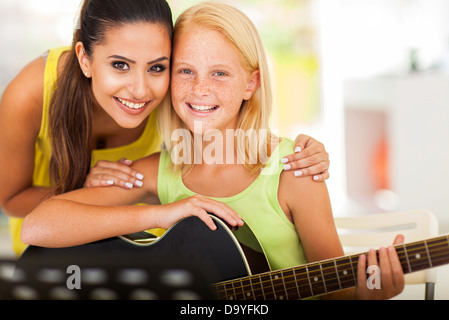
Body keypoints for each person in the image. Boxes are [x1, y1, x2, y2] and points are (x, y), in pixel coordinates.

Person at [21, 2, 404, 300]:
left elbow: (334, 287)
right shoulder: (161, 171)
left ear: (250, 83)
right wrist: (165, 212)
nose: (200, 89)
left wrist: (366, 293)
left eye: (219, 73)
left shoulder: (292, 170)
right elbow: (39, 225)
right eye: (185, 71)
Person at [0, 0, 330, 257]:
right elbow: (32, 220)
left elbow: (231, 125)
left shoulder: (176, 105)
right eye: (119, 65)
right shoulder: (32, 94)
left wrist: (303, 151)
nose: (141, 91)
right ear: (85, 58)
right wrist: (157, 213)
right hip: (54, 259)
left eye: (158, 67)